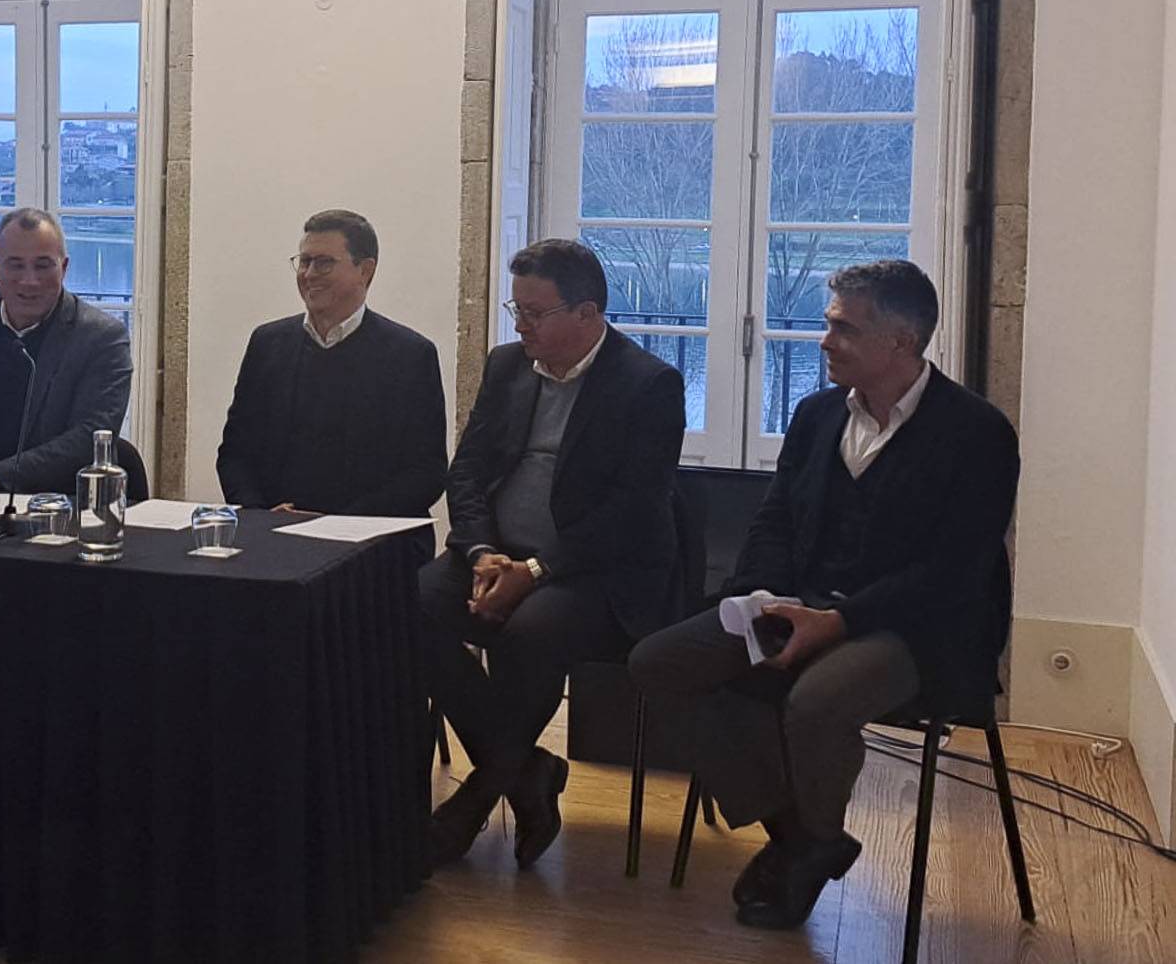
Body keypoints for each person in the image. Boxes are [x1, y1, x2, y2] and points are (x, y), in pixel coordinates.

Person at [629, 259, 1019, 930]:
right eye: (828, 323)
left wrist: (837, 621)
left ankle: (804, 847)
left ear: (901, 341)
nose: (824, 339)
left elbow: (951, 574)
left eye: (843, 328)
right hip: (802, 601)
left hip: (916, 631)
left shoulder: (977, 433)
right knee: (660, 662)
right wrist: (756, 597)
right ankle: (803, 839)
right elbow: (776, 520)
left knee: (816, 701)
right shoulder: (816, 415)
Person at [422, 238, 684, 869]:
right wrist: (482, 552)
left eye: (535, 313)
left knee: (530, 630)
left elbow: (632, 512)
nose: (521, 325)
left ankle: (477, 797)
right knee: (410, 603)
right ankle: (526, 769)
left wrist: (535, 571)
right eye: (517, 310)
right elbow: (468, 471)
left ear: (587, 314)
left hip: (596, 573)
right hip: (496, 553)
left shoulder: (648, 384)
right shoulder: (507, 366)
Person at [215, 209, 446, 517]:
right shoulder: (268, 344)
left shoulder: (410, 355)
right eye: (304, 261)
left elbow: (426, 472)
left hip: (372, 534)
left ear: (365, 271)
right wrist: (259, 514)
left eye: (324, 263)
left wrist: (339, 523)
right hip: (274, 529)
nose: (309, 274)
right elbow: (235, 452)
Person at [0, 207, 132, 495]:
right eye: (15, 265)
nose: (30, 280)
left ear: (64, 267)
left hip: (59, 501)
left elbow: (90, 437)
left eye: (43, 266)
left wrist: (0, 476)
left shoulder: (103, 338)